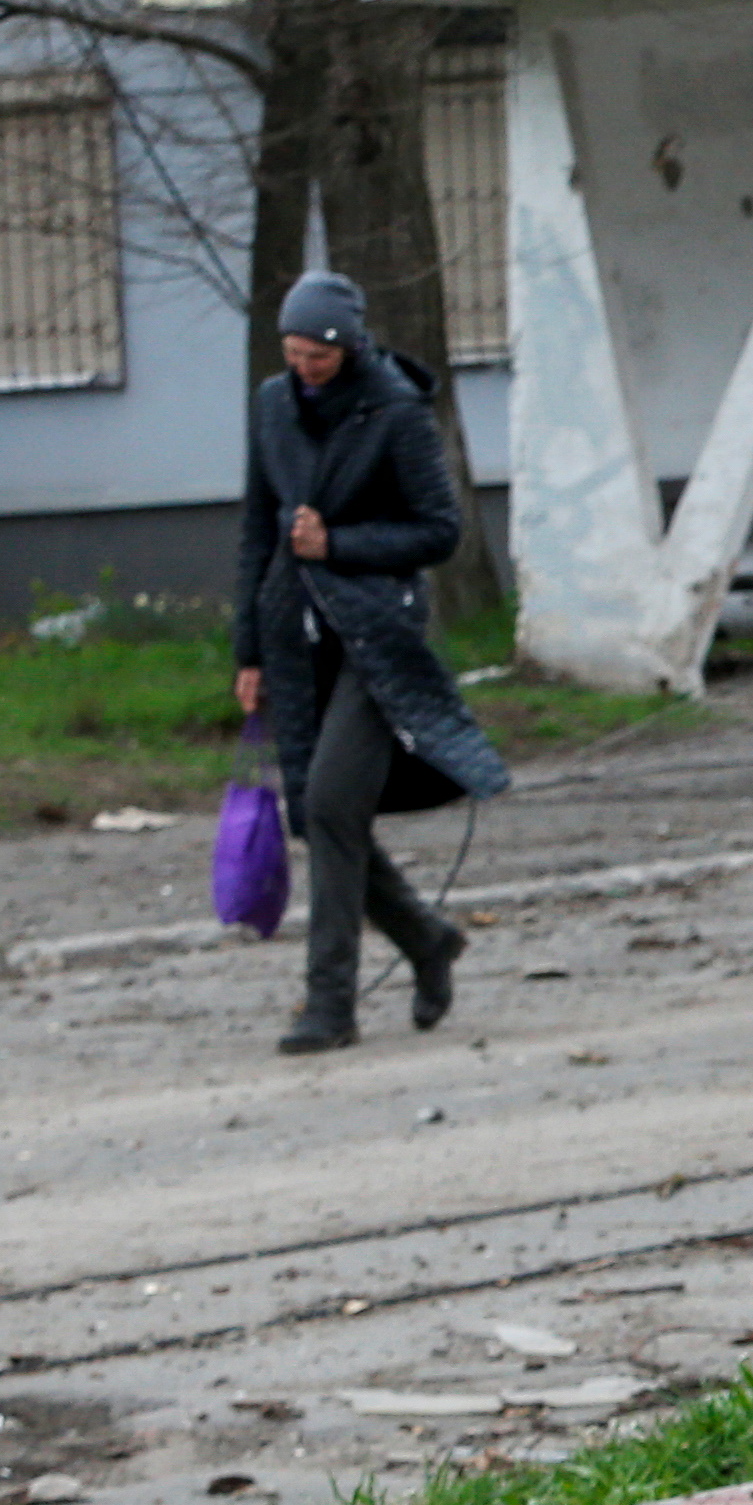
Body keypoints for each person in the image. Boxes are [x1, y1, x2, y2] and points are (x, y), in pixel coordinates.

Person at [234, 270, 509, 1056]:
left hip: (377, 634)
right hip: (295, 631)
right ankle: (426, 941)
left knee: (327, 802)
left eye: (318, 355)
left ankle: (330, 1005)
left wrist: (340, 545)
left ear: (348, 346)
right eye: (292, 353)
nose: (305, 367)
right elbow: (257, 526)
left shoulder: (395, 410)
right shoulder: (270, 406)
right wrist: (248, 648)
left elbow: (438, 531)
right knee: (322, 817)